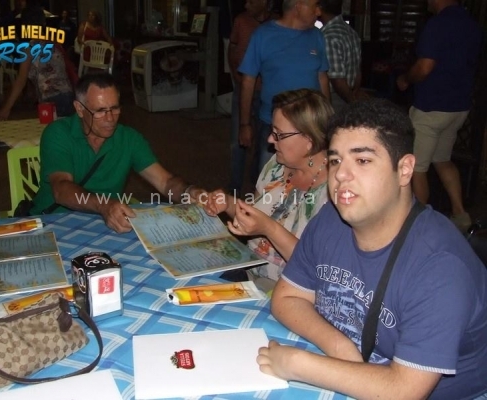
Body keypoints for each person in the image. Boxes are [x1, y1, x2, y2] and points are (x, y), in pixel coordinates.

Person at [257, 99, 487, 398]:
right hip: (357, 366)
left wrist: (298, 364)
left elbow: (403, 391)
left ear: (404, 170)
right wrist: (339, 346)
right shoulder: (331, 218)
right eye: (335, 160)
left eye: (363, 160)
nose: (341, 175)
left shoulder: (440, 266)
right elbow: (288, 297)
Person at [30, 73, 205, 234]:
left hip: (107, 223)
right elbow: (61, 189)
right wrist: (104, 206)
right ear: (79, 109)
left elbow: (164, 181)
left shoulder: (129, 139)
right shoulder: (58, 133)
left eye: (114, 108)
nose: (110, 118)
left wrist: (189, 192)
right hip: (54, 222)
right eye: (100, 111)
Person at [205, 89, 332, 288]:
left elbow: (317, 268)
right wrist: (228, 203)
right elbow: (255, 216)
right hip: (249, 271)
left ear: (309, 140)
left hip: (291, 291)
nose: (270, 140)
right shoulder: (276, 165)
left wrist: (269, 228)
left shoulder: (336, 191)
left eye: (279, 134)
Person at [396, 0, 481, 232]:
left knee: (417, 167)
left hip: (431, 108)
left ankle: (419, 225)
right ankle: (460, 214)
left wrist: (406, 79)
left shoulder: (438, 24)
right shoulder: (471, 24)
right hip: (458, 108)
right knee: (443, 160)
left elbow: (424, 66)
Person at [238, 0, 330, 176]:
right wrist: (245, 124)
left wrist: (328, 119)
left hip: (311, 125)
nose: (319, 12)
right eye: (315, 6)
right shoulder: (263, 35)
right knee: (269, 178)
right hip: (273, 125)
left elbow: (322, 78)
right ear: (298, 6)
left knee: (311, 176)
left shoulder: (317, 36)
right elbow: (248, 81)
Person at [228, 0, 276, 196]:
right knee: (238, 141)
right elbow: (232, 50)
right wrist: (237, 77)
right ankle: (234, 189)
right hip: (244, 91)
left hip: (267, 94)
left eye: (251, 1)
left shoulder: (276, 24)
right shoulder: (241, 21)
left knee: (264, 142)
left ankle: (257, 188)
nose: (246, 5)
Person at [0, 3, 75, 119]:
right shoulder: (54, 43)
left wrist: (6, 108)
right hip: (68, 95)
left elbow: (21, 81)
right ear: (43, 23)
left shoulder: (29, 48)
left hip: (50, 99)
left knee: (51, 130)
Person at [319, 0, 363, 112]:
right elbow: (357, 70)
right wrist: (355, 94)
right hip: (349, 92)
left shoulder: (328, 36)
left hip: (337, 97)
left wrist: (352, 102)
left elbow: (337, 79)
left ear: (320, 9)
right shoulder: (351, 32)